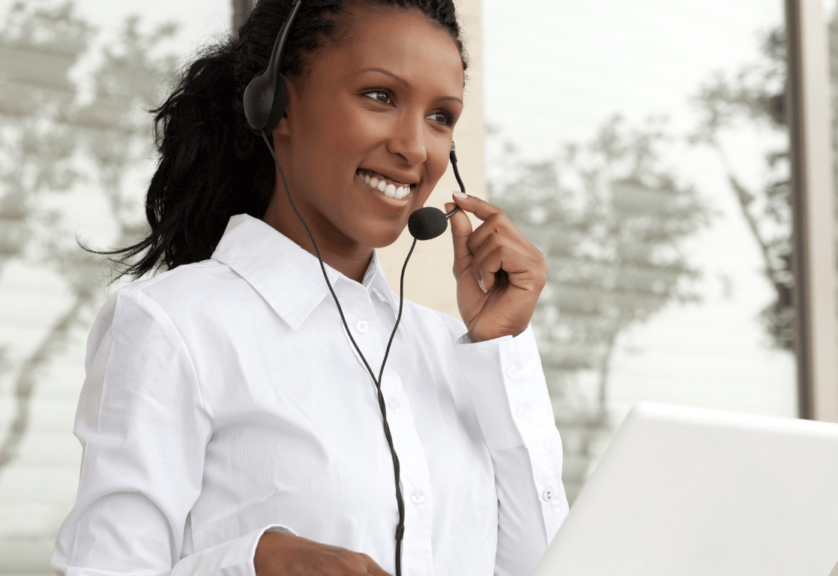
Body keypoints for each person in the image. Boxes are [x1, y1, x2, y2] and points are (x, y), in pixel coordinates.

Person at [51, 1, 567, 575]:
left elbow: (545, 566)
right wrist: (254, 563)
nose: (416, 148)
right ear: (277, 105)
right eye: (380, 96)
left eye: (441, 117)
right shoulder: (173, 326)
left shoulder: (452, 349)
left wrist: (502, 348)